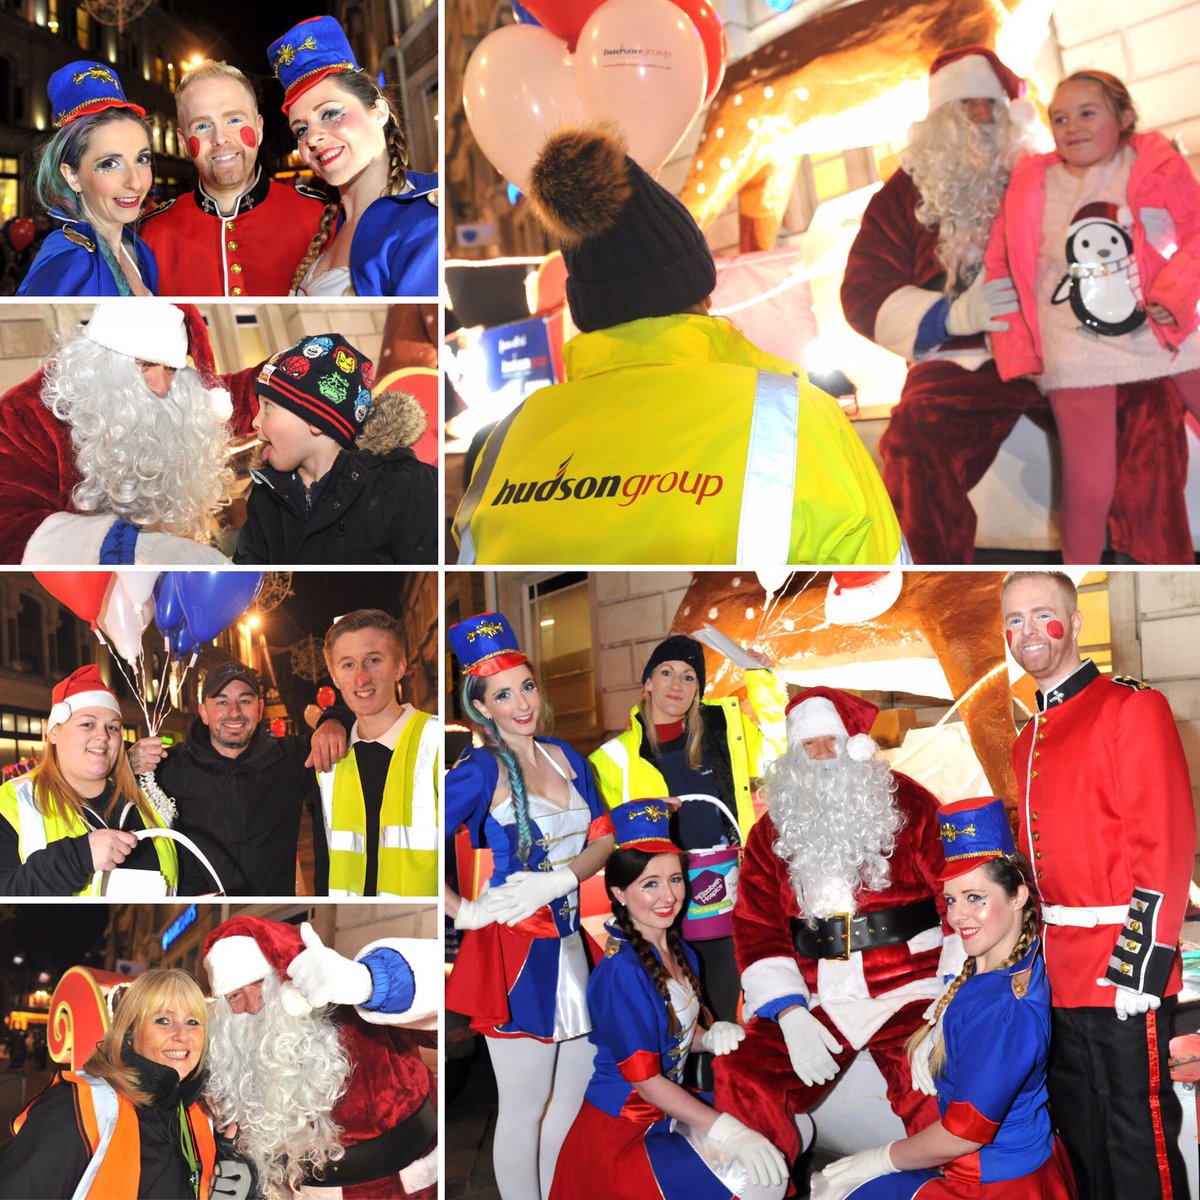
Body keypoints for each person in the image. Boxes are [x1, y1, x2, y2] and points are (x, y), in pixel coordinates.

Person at [453, 123, 904, 566]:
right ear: (702, 286)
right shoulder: (797, 420)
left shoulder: (500, 449)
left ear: (585, 306)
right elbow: (884, 589)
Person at [841, 45, 1191, 565]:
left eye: (991, 106)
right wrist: (949, 315)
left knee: (1150, 405)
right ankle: (937, 586)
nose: (981, 119)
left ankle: (1152, 565)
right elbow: (863, 289)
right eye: (966, 107)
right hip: (961, 361)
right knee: (917, 441)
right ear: (938, 118)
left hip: (1065, 346)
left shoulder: (1049, 172)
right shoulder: (900, 196)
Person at [714, 687, 960, 1193]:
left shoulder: (910, 805)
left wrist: (949, 1003)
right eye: (810, 746)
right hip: (817, 999)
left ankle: (952, 1190)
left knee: (938, 1088)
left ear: (856, 744)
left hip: (910, 992)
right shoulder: (771, 832)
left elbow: (959, 897)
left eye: (832, 742)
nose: (823, 756)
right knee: (745, 1077)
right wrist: (788, 1012)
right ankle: (760, 1189)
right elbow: (757, 927)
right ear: (793, 756)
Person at [1001, 570, 1192, 1199]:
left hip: (1118, 970)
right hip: (1056, 974)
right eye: (1013, 621)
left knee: (1134, 1142)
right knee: (1078, 1139)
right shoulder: (1027, 737)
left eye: (1041, 615)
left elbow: (1162, 845)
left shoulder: (1131, 707)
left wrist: (1139, 967)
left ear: (1077, 623)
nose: (1027, 632)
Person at [984, 71, 1200, 564]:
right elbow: (1002, 264)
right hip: (1075, 349)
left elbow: (1197, 232)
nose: (1071, 126)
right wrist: (1020, 347)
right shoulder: (1030, 181)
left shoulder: (1154, 162)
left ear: (1124, 118)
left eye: (1087, 112)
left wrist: (1177, 293)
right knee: (1088, 486)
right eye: (1059, 117)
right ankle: (1072, 584)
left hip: (1167, 331)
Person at [815, 798, 1076, 1199]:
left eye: (976, 898)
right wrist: (939, 1030)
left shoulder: (1006, 1008)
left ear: (1019, 896)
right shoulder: (1009, 961)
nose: (956, 916)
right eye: (952, 900)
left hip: (992, 1184)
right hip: (1011, 1168)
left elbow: (963, 1133)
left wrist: (880, 1158)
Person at [445, 612, 614, 1200]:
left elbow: (605, 839)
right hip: (515, 956)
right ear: (482, 706)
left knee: (569, 1101)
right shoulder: (481, 769)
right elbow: (413, 841)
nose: (521, 703)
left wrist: (561, 879)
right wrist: (463, 911)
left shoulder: (568, 756)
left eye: (528, 686)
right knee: (522, 1109)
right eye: (503, 694)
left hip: (571, 948)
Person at [550, 800, 788, 1200]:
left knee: (773, 1138)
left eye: (675, 879)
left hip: (666, 1115)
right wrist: (729, 1132)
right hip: (623, 1134)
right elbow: (646, 1082)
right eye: (650, 884)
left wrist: (707, 1038)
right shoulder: (619, 974)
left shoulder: (680, 951)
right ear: (619, 893)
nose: (668, 896)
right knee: (758, 1176)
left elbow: (674, 1033)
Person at [591, 633, 786, 1025]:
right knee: (669, 1021)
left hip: (722, 890)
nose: (676, 685)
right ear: (647, 682)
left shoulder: (723, 734)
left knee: (725, 1012)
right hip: (657, 907)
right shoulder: (611, 759)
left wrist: (761, 679)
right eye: (666, 672)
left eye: (688, 677)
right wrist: (641, 813)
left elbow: (781, 748)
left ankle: (719, 1083)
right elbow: (595, 829)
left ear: (698, 689)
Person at [0, 298, 256, 564]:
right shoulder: (23, 415)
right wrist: (129, 548)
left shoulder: (165, 402)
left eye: (170, 369)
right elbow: (10, 529)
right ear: (103, 362)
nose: (161, 386)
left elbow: (246, 392)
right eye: (145, 364)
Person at [204, 915, 438, 1199]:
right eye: (235, 995)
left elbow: (437, 995)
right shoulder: (232, 1070)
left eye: (259, 984)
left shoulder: (356, 1010)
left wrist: (369, 982)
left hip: (404, 1187)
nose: (254, 1006)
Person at [129, 660, 351, 896]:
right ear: (203, 711)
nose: (234, 712)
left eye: (244, 701)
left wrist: (334, 721)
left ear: (260, 708)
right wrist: (128, 763)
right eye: (222, 702)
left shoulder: (292, 758)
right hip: (203, 911)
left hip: (270, 910)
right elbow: (100, 783)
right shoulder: (168, 766)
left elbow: (362, 719)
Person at [0, 967, 214, 1198]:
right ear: (130, 1033)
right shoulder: (77, 1105)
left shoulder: (200, 1112)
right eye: (163, 1020)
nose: (182, 1035)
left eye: (193, 1022)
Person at [267, 15, 438, 297]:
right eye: (301, 130)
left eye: (331, 113)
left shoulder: (427, 217)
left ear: (379, 111)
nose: (312, 138)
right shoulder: (320, 227)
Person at [232, 332, 437, 564]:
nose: (255, 422)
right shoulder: (265, 499)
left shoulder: (407, 485)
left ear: (315, 419)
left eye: (268, 406)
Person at [140, 60, 324, 297]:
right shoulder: (150, 235)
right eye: (203, 125)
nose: (219, 138)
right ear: (184, 142)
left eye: (234, 120)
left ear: (259, 129)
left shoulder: (320, 216)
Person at [0, 666, 177, 896]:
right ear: (53, 732)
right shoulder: (13, 802)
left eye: (112, 727)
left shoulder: (145, 798)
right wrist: (79, 857)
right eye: (87, 724)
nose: (103, 736)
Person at [317, 609, 439, 896]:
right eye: (347, 665)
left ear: (399, 668)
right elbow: (327, 862)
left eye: (373, 660)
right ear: (334, 677)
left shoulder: (434, 741)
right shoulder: (329, 759)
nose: (361, 678)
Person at [18, 60, 158, 297]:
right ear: (72, 176)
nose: (135, 182)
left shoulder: (140, 251)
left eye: (141, 159)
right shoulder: (68, 265)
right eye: (109, 164)